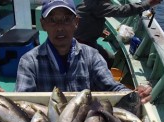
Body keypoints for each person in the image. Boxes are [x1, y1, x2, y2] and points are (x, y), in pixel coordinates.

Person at [15, 0, 152, 104]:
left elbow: (111, 86)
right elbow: (23, 100)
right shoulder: (29, 61)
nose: (60, 27)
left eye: (67, 20)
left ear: (76, 22)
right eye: (53, 20)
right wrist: (11, 103)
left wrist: (132, 95)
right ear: (43, 24)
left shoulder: (92, 55)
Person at [74, 0, 163, 68]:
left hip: (83, 39)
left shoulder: (88, 3)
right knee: (108, 59)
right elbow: (122, 11)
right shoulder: (96, 4)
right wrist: (148, 3)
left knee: (109, 57)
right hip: (83, 44)